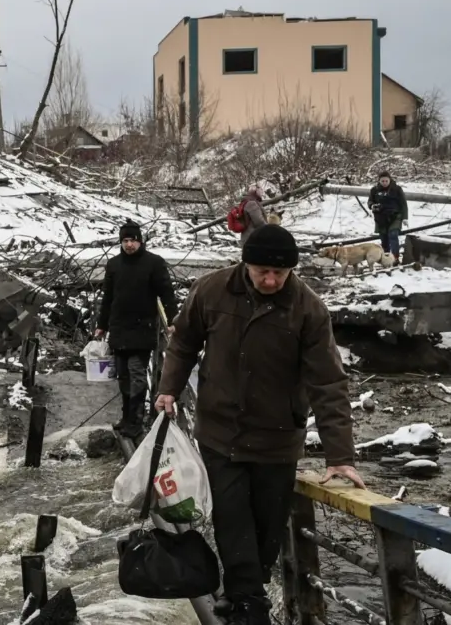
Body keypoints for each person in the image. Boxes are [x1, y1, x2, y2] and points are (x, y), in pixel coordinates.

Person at [155, 224, 363, 625]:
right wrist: (169, 388)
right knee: (232, 517)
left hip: (277, 437)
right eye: (262, 271)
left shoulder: (308, 309)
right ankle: (249, 605)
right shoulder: (212, 291)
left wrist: (340, 456)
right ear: (245, 263)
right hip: (220, 432)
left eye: (280, 274)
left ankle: (243, 593)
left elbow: (328, 383)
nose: (270, 280)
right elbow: (183, 342)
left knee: (268, 528)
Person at [94, 221, 178, 438]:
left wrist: (172, 320)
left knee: (137, 375)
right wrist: (101, 326)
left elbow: (167, 293)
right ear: (121, 242)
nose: (129, 244)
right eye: (125, 241)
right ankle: (126, 417)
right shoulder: (113, 265)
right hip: (119, 327)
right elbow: (108, 298)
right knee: (122, 376)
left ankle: (137, 420)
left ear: (141, 241)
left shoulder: (154, 263)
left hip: (143, 327)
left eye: (133, 240)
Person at [368, 171, 408, 264]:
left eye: (386, 181)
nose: (384, 183)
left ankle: (395, 258)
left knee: (393, 234)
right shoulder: (374, 190)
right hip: (380, 217)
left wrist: (405, 217)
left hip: (395, 216)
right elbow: (370, 201)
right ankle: (386, 258)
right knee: (384, 238)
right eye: (382, 181)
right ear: (379, 181)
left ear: (390, 180)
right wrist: (372, 205)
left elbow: (403, 204)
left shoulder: (397, 189)